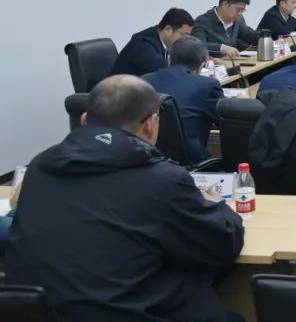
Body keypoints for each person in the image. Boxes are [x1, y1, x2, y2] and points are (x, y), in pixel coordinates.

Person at [3, 75, 244, 321]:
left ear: (84, 120)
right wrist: (218, 206)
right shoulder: (164, 180)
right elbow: (224, 244)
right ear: (150, 124)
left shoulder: (40, 167)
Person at [142, 37, 224, 162]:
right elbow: (224, 120)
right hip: (192, 162)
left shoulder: (143, 81)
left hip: (148, 158)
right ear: (202, 65)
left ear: (169, 59)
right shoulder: (208, 85)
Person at [112, 7, 194, 77]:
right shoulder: (143, 44)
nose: (185, 40)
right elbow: (165, 70)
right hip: (122, 89)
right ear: (168, 30)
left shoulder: (160, 39)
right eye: (184, 35)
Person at [192, 0, 260, 58]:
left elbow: (251, 36)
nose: (240, 14)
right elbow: (197, 46)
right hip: (213, 63)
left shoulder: (238, 19)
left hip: (233, 62)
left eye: (242, 11)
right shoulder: (203, 21)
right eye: (238, 10)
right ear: (225, 4)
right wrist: (222, 48)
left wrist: (265, 37)